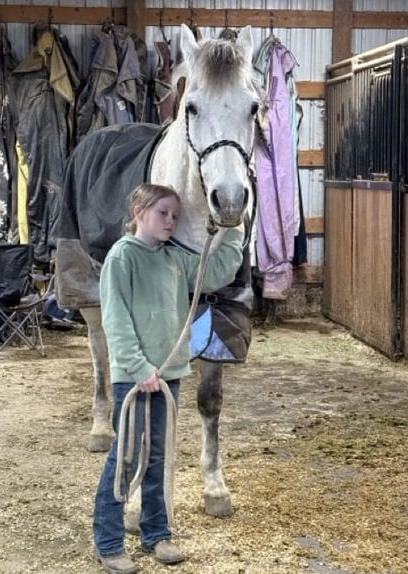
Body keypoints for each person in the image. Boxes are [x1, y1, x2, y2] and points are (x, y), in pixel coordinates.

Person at [93, 183, 244, 574]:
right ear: (139, 210)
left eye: (175, 216)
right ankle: (109, 541)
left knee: (160, 457)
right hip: (135, 377)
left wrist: (233, 229)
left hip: (168, 376)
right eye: (163, 213)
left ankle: (156, 533)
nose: (171, 221)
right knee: (126, 457)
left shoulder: (175, 258)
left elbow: (216, 273)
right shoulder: (121, 258)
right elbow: (116, 320)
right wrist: (139, 367)